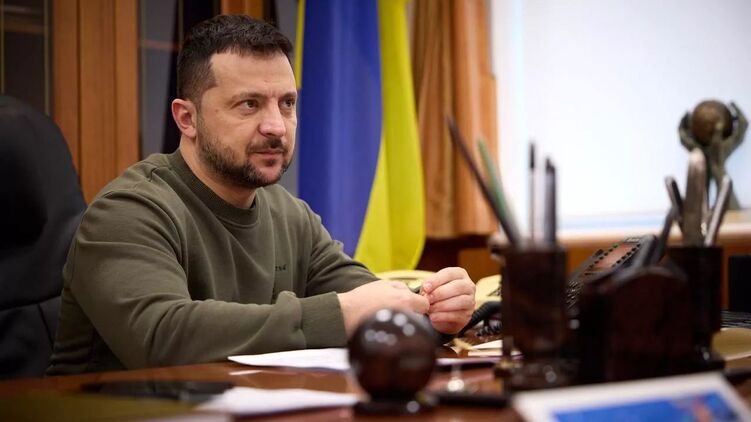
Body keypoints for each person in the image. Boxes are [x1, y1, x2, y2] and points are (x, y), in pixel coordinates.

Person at [47, 15, 475, 375]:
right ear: (187, 118)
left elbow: (367, 302)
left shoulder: (289, 215)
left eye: (286, 103)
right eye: (249, 104)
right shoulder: (127, 212)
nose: (276, 126)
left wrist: (436, 309)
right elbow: (161, 338)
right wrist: (339, 314)